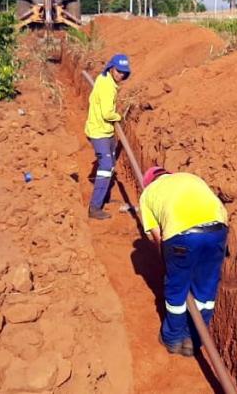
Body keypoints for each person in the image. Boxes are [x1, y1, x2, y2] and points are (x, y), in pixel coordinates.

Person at [139, 166, 229, 357]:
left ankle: (172, 339)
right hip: (218, 230)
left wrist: (168, 261)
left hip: (182, 237)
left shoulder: (148, 194)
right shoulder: (191, 177)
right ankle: (193, 340)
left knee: (176, 290)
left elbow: (156, 237)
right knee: (205, 291)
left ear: (148, 183)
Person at [85, 53, 131, 220]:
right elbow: (106, 113)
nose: (121, 75)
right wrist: (118, 117)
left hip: (106, 131)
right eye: (118, 71)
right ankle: (95, 207)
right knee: (105, 167)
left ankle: (103, 195)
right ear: (111, 68)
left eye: (124, 73)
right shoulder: (107, 87)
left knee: (110, 164)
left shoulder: (104, 78)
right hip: (100, 131)